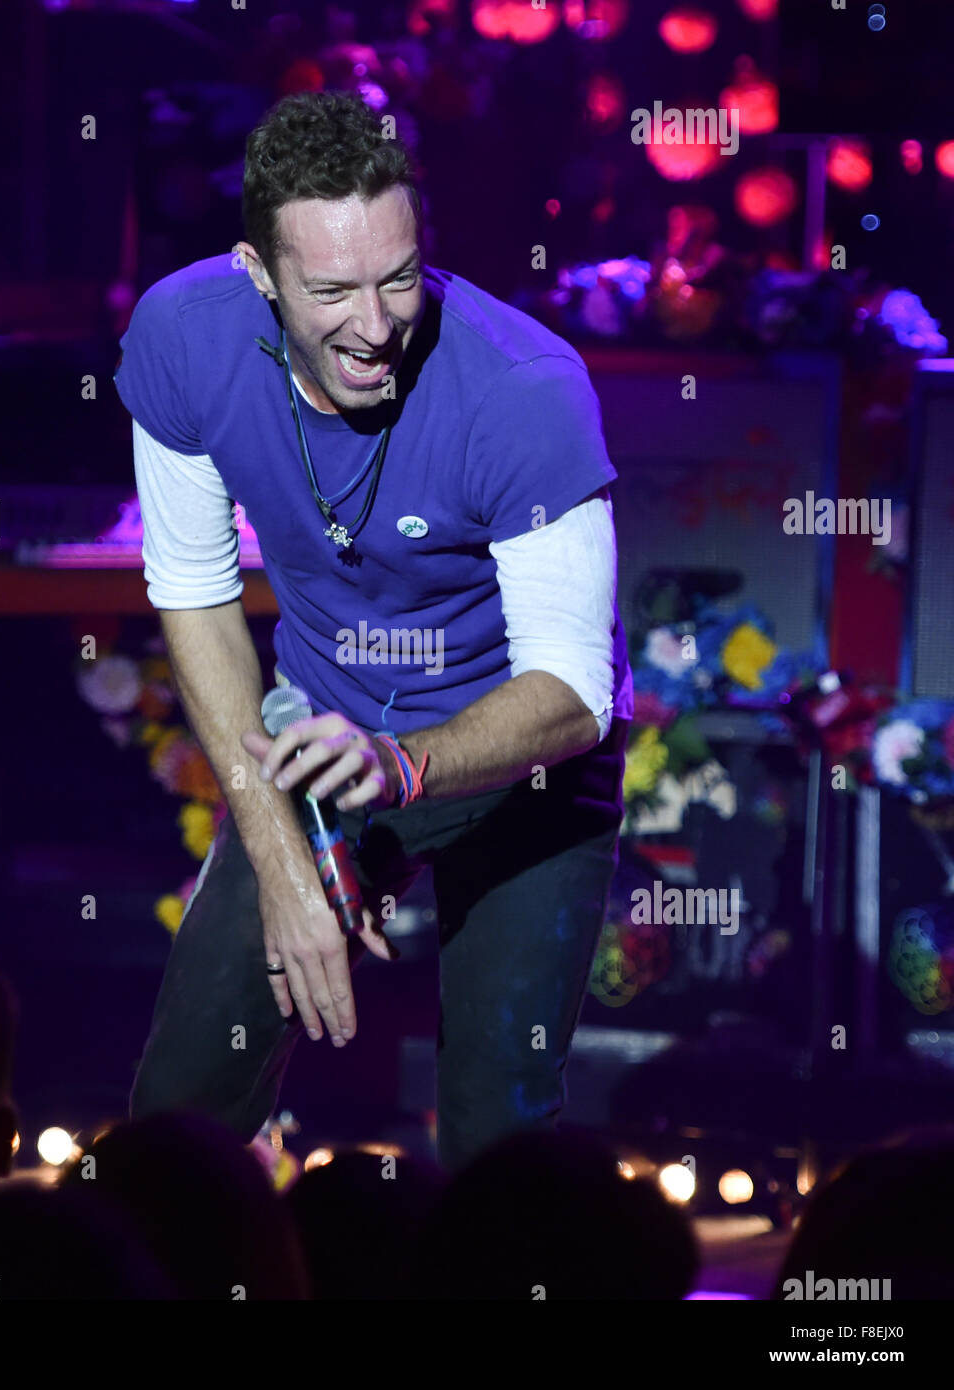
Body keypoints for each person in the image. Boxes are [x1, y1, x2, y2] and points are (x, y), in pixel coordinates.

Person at [115, 90, 632, 1170]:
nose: (376, 322)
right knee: (177, 1117)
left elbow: (576, 693)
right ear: (258, 274)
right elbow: (196, 592)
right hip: (319, 754)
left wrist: (399, 765)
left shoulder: (526, 389)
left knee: (499, 1139)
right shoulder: (182, 336)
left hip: (519, 770)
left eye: (398, 278)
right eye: (333, 289)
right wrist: (287, 862)